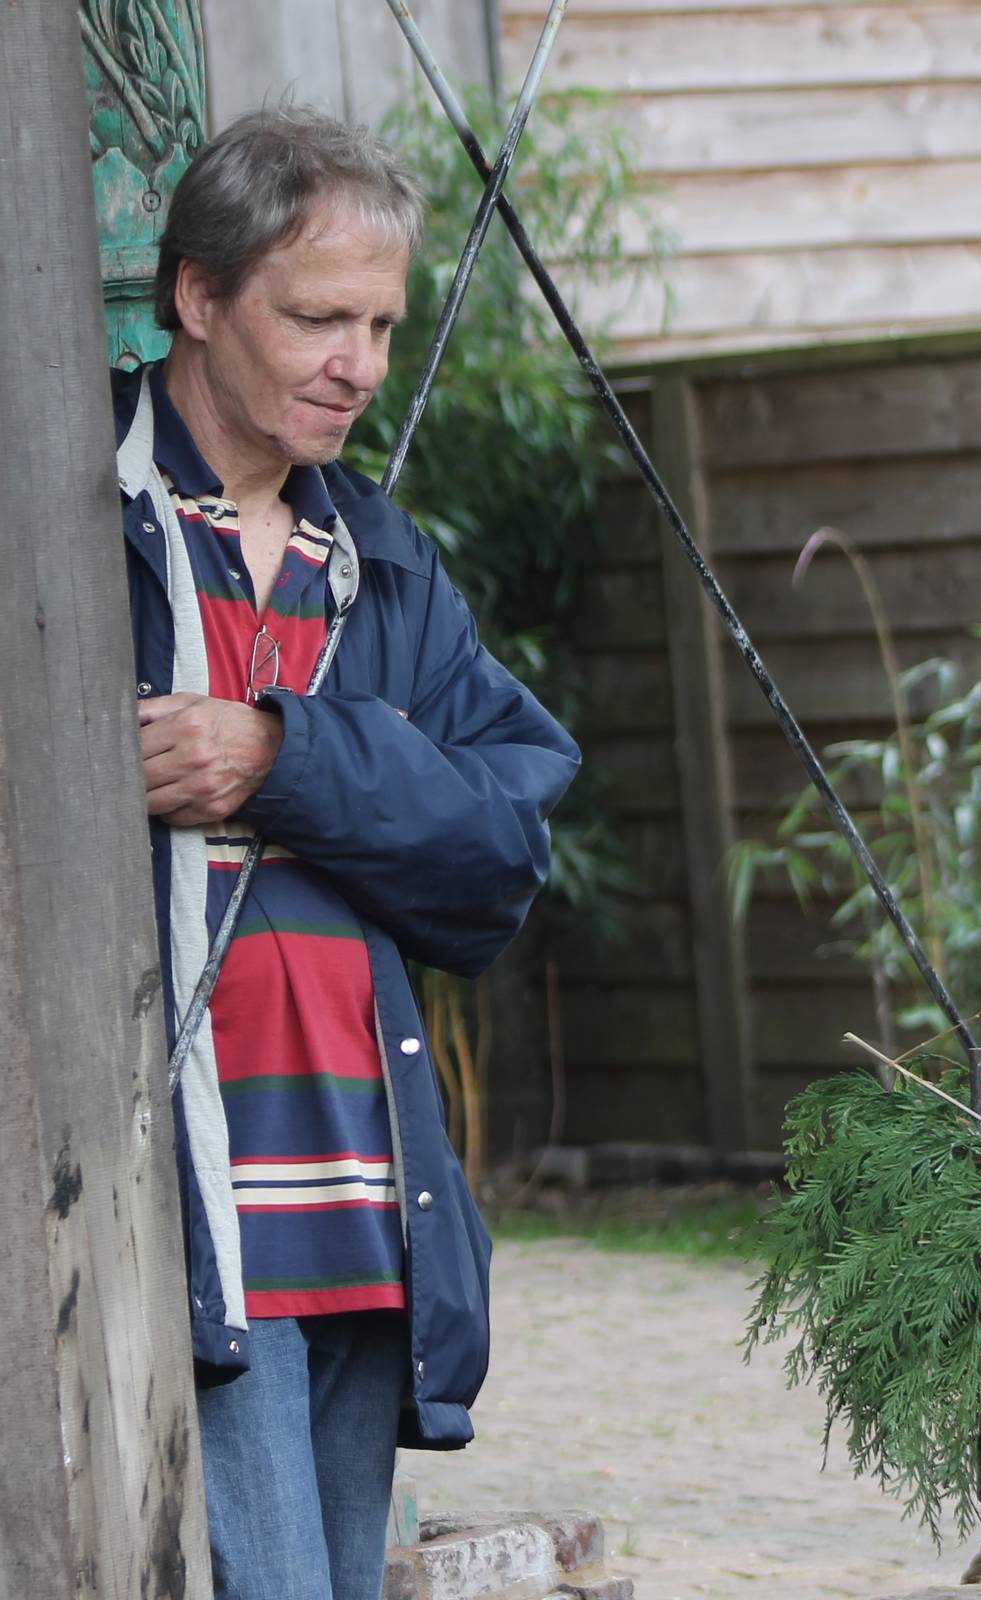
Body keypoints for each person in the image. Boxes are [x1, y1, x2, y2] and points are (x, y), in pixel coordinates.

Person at [112, 105, 580, 1600]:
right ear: (199, 296)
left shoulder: (373, 561)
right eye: (318, 317)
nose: (359, 365)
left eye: (381, 324)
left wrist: (284, 757)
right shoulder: (83, 521)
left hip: (364, 1207)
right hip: (171, 1203)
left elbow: (502, 856)